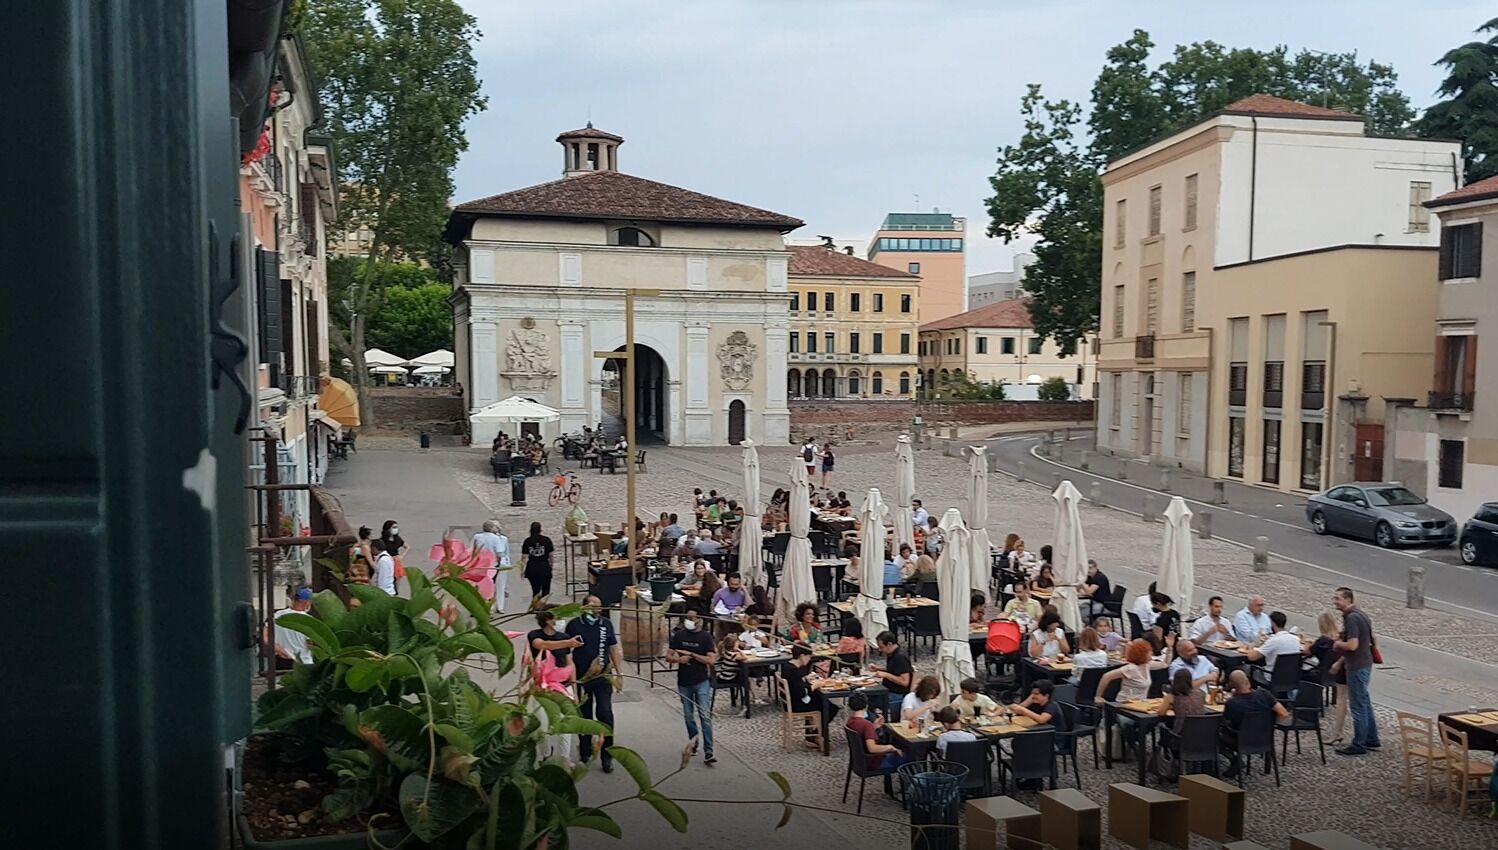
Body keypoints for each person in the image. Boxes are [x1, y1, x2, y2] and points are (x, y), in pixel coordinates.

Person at [567, 595, 623, 772]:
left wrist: (619, 672)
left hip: (603, 676)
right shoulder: (574, 625)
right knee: (585, 716)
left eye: (599, 606)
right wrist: (573, 681)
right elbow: (568, 654)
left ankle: (607, 755)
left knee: (605, 713)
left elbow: (613, 647)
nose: (597, 609)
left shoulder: (605, 624)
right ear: (584, 607)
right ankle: (585, 750)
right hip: (583, 677)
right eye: (593, 606)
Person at [1332, 586, 1381, 756]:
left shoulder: (1351, 618)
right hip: (1365, 663)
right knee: (1364, 702)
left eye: (1337, 598)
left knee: (1358, 705)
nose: (1334, 602)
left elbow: (1353, 645)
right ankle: (1372, 738)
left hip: (1357, 665)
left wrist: (1338, 644)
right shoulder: (1361, 615)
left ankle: (1359, 743)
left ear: (1348, 599)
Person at [666, 610, 718, 765]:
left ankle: (709, 750)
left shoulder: (705, 637)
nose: (689, 620)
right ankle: (694, 741)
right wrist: (678, 660)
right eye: (687, 618)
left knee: (705, 716)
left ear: (699, 620)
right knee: (688, 715)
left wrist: (693, 655)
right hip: (684, 682)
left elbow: (711, 660)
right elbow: (668, 656)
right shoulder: (679, 636)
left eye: (692, 618)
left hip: (701, 681)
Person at [1220, 669, 1291, 776]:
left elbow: (1226, 721)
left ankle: (1234, 760)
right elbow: (1284, 714)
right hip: (1265, 738)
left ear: (1232, 686)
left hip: (1241, 740)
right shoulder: (1264, 694)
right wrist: (1269, 723)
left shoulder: (1232, 703)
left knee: (1213, 736)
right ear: (1248, 681)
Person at [1096, 637, 1173, 704]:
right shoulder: (1130, 669)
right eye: (1149, 651)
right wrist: (1098, 697)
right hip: (1125, 704)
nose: (1151, 653)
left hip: (1140, 704)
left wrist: (1169, 647)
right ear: (1142, 653)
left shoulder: (1147, 665)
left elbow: (1165, 664)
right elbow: (1106, 676)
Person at [845, 691, 904, 770]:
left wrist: (874, 727)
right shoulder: (866, 724)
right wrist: (890, 747)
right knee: (908, 757)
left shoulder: (850, 721)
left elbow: (861, 733)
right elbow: (872, 748)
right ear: (866, 705)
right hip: (873, 762)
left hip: (860, 761)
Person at [1156, 668, 1207, 751]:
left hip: (1180, 738)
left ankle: (1161, 754)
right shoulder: (1200, 693)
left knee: (1163, 727)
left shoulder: (1172, 696)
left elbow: (1161, 713)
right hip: (1201, 736)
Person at [870, 631, 914, 715]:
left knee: (868, 700)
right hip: (889, 690)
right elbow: (894, 670)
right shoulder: (892, 654)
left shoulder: (900, 657)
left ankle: (874, 721)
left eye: (881, 647)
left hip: (896, 694)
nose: (880, 650)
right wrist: (878, 668)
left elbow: (905, 681)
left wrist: (886, 675)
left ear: (889, 644)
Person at [271, 587, 315, 667]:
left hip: (282, 659)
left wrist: (278, 649)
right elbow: (310, 644)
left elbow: (266, 636)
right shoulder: (309, 620)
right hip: (303, 662)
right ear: (307, 602)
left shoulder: (277, 615)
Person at [472, 521, 512, 606]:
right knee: (492, 584)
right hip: (492, 564)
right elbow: (499, 553)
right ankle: (491, 605)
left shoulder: (477, 536)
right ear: (491, 528)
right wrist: (499, 562)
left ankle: (481, 603)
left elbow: (472, 550)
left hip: (479, 564)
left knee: (480, 584)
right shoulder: (495, 538)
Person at [521, 521, 555, 609]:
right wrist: (551, 566)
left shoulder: (527, 541)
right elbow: (551, 556)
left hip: (532, 567)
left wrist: (522, 570)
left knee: (535, 590)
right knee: (546, 589)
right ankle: (542, 607)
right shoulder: (546, 540)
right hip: (544, 566)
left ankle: (536, 606)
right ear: (540, 530)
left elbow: (524, 557)